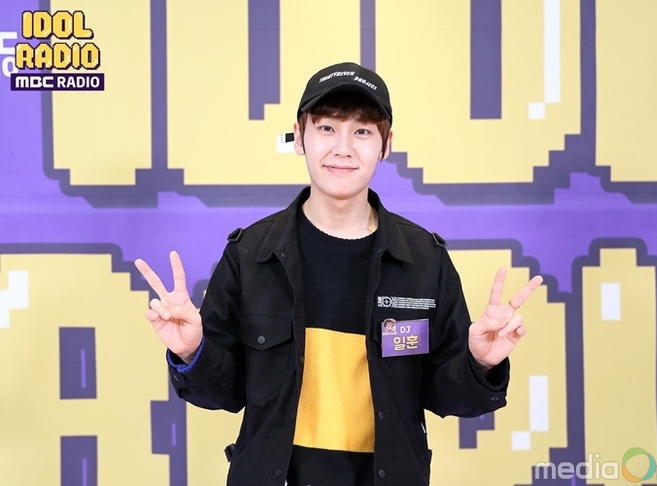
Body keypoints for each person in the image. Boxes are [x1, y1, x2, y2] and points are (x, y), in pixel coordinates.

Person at [135, 61, 543, 486]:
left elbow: (445, 395)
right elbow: (226, 391)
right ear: (299, 136)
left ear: (386, 145)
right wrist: (193, 353)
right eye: (327, 128)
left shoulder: (425, 259)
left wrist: (480, 362)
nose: (343, 148)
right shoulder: (250, 255)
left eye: (362, 132)